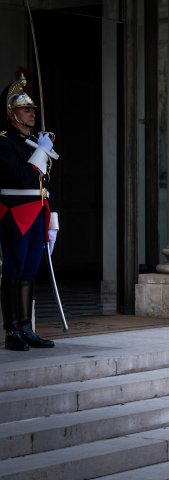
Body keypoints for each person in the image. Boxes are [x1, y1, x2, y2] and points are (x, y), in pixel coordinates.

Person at [0, 68, 58, 351]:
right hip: (14, 215)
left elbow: (44, 184)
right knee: (14, 269)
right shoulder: (4, 142)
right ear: (12, 114)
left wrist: (53, 221)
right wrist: (41, 152)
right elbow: (21, 177)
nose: (32, 113)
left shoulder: (35, 142)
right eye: (25, 109)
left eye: (32, 109)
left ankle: (26, 328)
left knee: (30, 271)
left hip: (37, 215)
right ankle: (12, 331)